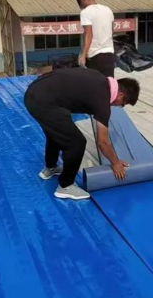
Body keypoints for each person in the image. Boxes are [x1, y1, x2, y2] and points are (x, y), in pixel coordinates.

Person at [24, 67, 140, 201]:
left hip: (33, 92)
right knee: (76, 143)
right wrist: (115, 162)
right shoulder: (103, 100)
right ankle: (65, 186)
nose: (118, 106)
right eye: (122, 104)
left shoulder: (99, 77)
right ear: (120, 95)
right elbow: (102, 142)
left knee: (56, 132)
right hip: (44, 102)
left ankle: (50, 168)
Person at [76, 0, 115, 78]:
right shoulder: (108, 10)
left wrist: (83, 55)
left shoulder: (86, 12)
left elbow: (88, 35)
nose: (81, 7)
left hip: (95, 56)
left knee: (94, 85)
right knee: (109, 83)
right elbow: (112, 31)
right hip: (109, 55)